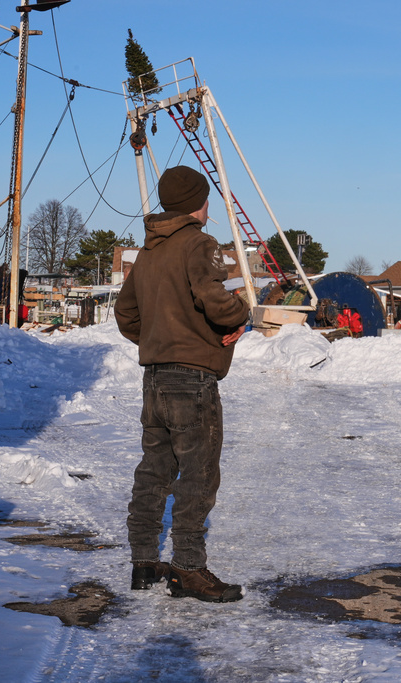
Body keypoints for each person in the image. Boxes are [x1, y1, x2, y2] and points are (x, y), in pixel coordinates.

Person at [115, 165, 251, 603]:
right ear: (197, 203)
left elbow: (125, 315)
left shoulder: (148, 253)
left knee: (153, 471)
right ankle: (188, 569)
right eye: (206, 198)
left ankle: (143, 563)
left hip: (154, 379)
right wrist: (240, 313)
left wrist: (158, 340)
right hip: (191, 380)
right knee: (198, 473)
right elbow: (216, 301)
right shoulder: (200, 243)